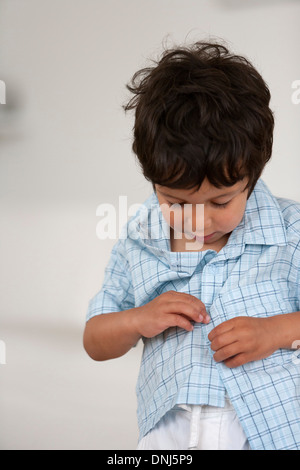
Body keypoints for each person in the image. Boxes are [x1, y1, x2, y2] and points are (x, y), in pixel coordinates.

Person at [83, 41, 300, 450]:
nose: (198, 220)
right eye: (176, 202)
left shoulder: (293, 231)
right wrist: (136, 320)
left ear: (251, 178)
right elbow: (95, 339)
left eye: (220, 202)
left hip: (274, 427)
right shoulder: (138, 240)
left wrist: (275, 331)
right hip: (171, 434)